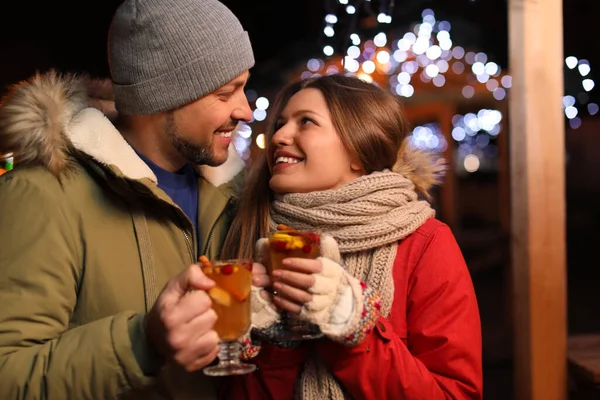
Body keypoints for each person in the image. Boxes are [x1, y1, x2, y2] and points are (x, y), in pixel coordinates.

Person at [0, 0, 256, 398]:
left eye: (244, 85)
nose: (246, 110)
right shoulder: (43, 196)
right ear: (162, 95)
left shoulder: (232, 192)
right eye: (226, 93)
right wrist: (142, 343)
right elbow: (7, 374)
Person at [221, 74, 483, 399]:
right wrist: (276, 342)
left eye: (306, 122)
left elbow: (455, 394)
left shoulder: (425, 242)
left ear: (359, 151)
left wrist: (354, 325)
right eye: (281, 123)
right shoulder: (256, 234)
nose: (279, 136)